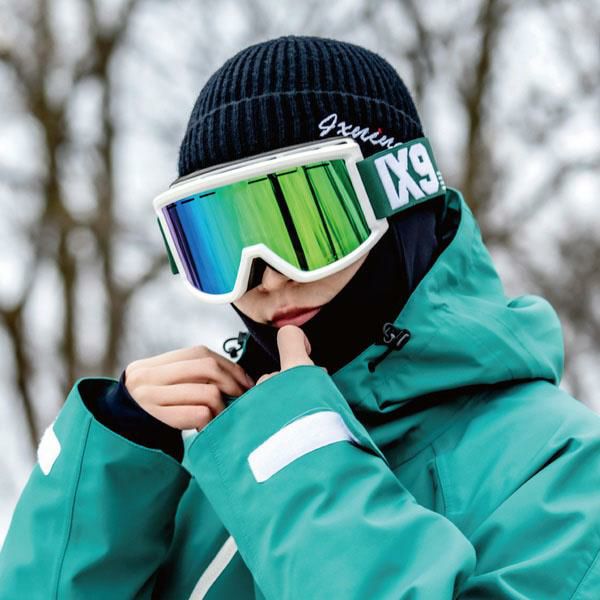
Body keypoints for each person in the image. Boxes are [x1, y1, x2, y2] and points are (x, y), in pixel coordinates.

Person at [1, 34, 599, 600]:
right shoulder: (204, 461)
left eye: (307, 226)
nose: (267, 277)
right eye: (223, 244)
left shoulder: (561, 464)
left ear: (402, 201)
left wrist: (301, 464)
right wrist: (106, 483)